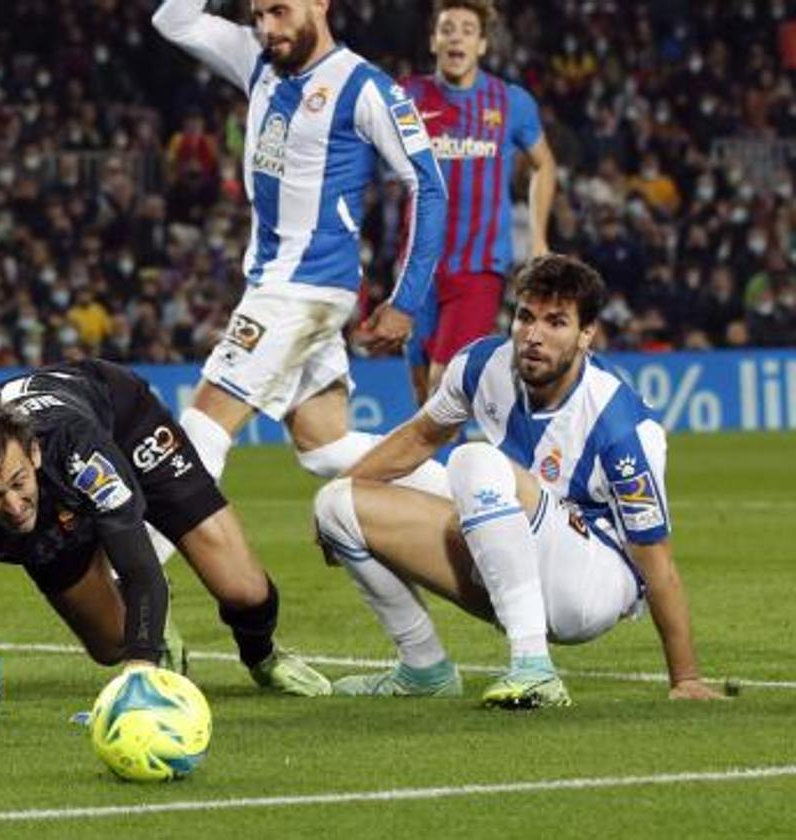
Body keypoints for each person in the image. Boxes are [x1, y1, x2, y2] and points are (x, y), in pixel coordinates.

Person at [317, 254, 725, 706]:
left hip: (591, 585)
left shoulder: (621, 426)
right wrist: (339, 508)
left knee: (474, 461)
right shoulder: (480, 366)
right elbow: (418, 437)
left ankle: (534, 669)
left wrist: (685, 677)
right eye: (526, 317)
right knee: (337, 503)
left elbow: (657, 561)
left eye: (556, 323)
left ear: (587, 334)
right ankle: (424, 668)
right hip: (516, 546)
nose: (533, 335)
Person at [0, 359, 331, 726]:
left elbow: (140, 567)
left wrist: (141, 672)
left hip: (124, 423)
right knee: (111, 643)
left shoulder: (77, 448)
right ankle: (132, 588)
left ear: (34, 455)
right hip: (60, 496)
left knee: (245, 590)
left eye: (18, 483)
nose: (13, 504)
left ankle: (262, 657)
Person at [152, 0, 446, 496]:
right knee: (325, 447)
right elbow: (172, 20)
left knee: (201, 429)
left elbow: (429, 187)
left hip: (303, 288)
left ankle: (132, 577)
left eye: (280, 11)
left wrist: (407, 299)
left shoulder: (365, 87)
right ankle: (488, 496)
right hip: (282, 284)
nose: (268, 28)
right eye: (259, 14)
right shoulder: (258, 60)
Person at [402, 0, 557, 405]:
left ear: (483, 45)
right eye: (447, 28)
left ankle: (457, 463)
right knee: (423, 388)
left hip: (478, 266)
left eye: (468, 30)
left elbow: (545, 165)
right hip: (417, 267)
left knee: (443, 381)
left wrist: (538, 237)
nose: (456, 36)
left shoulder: (510, 103)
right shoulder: (404, 97)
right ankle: (454, 464)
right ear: (434, 40)